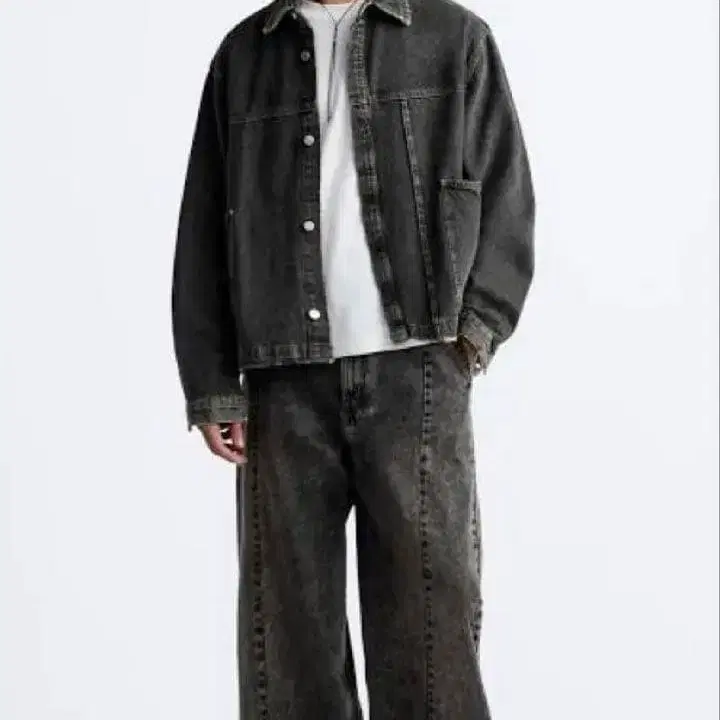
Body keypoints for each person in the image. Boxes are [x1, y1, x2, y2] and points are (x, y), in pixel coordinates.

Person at [171, 0, 535, 716]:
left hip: (418, 373)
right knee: (288, 640)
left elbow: (506, 195)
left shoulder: (454, 38)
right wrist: (212, 382)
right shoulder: (245, 55)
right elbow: (205, 225)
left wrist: (472, 334)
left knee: (430, 636)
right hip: (282, 383)